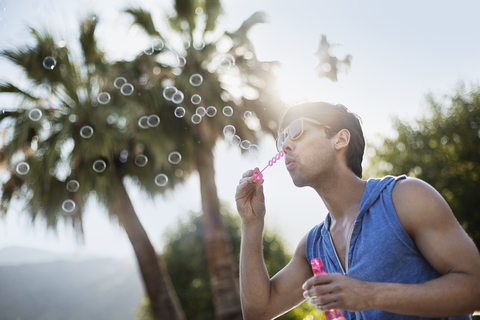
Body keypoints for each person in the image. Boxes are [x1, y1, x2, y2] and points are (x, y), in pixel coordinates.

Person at [235, 101, 480, 320]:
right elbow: (258, 312)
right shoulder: (313, 247)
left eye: (296, 131)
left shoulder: (405, 198)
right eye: (281, 140)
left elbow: (475, 288)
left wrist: (370, 294)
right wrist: (251, 223)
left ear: (340, 139)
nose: (285, 146)